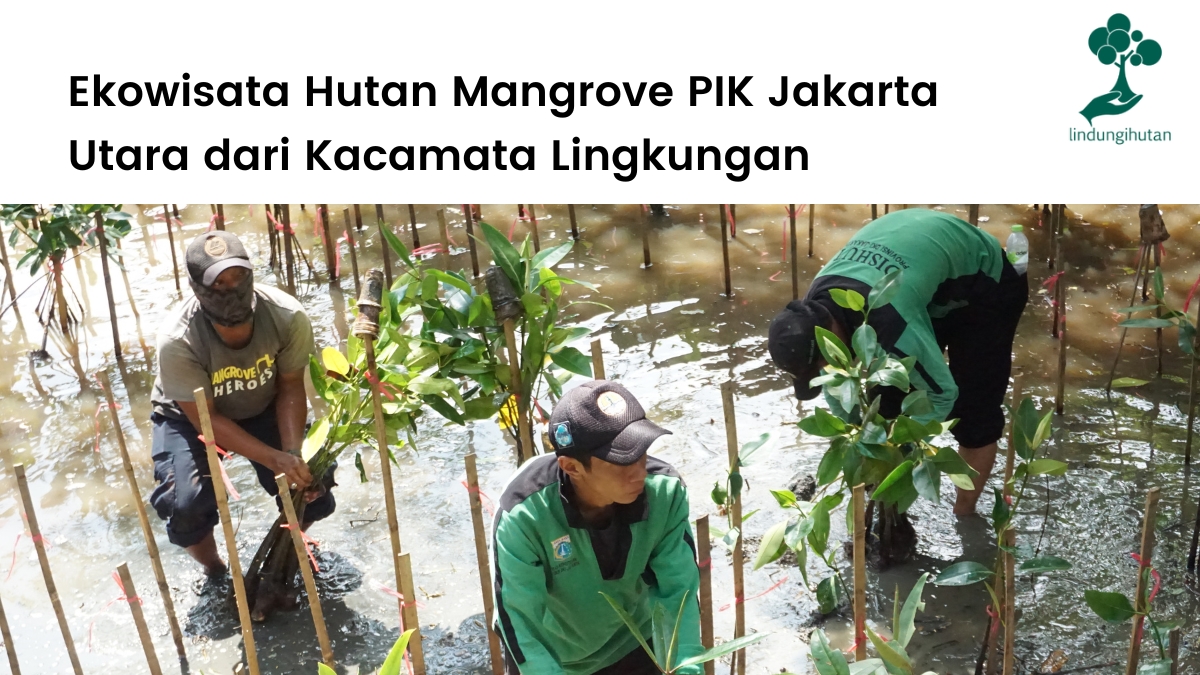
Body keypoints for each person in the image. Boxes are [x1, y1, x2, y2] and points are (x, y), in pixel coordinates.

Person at [768, 208, 1028, 515]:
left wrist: (896, 449)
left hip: (987, 283)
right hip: (930, 283)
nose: (826, 369)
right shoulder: (817, 305)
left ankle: (965, 516)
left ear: (830, 338)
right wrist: (860, 436)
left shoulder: (887, 320)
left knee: (974, 413)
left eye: (820, 364)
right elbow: (838, 379)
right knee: (890, 400)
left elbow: (942, 393)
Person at [148, 231, 336, 577]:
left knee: (314, 482)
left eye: (238, 277)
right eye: (218, 283)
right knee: (185, 503)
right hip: (191, 418)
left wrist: (291, 454)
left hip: (263, 403)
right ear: (197, 289)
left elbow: (291, 385)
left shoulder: (286, 316)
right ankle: (215, 570)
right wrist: (272, 457)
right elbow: (207, 420)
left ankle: (284, 557)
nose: (230, 289)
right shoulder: (177, 340)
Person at [492, 380, 702, 675]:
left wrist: (686, 668)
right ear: (572, 467)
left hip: (637, 641)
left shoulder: (664, 493)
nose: (639, 471)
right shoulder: (523, 515)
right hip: (557, 658)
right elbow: (522, 622)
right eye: (622, 460)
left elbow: (678, 591)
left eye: (641, 452)